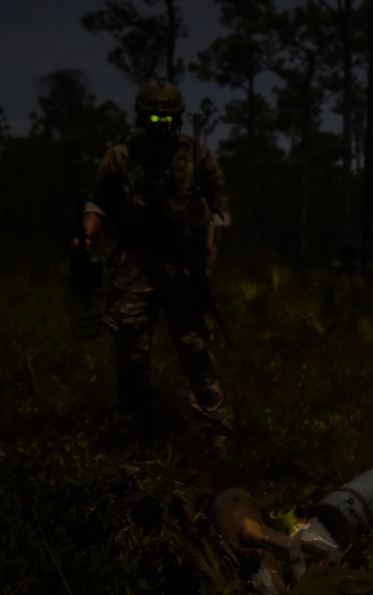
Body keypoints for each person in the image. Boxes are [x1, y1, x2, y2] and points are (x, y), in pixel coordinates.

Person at [80, 80, 233, 456]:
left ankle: (216, 434)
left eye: (167, 116)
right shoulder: (121, 157)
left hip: (183, 264)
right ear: (141, 117)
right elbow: (97, 203)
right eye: (154, 116)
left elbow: (220, 207)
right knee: (130, 350)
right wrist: (86, 236)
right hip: (136, 264)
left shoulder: (197, 156)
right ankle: (135, 431)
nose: (161, 123)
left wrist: (212, 245)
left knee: (196, 349)